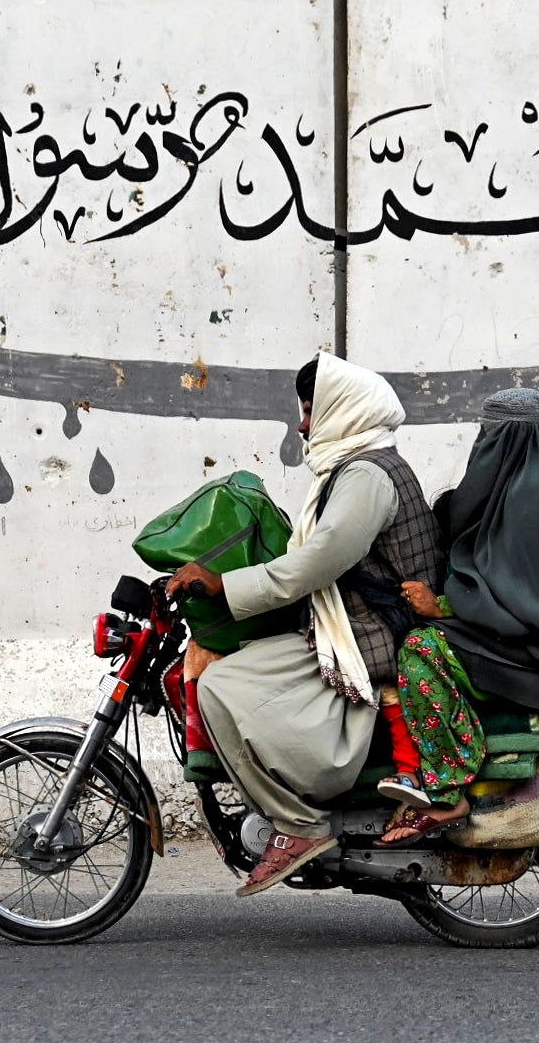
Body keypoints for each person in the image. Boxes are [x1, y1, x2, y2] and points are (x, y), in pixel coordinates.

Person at [166, 353, 445, 895]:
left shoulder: (366, 475)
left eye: (312, 410)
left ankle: (298, 823)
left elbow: (319, 560)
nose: (302, 425)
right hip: (357, 623)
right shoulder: (353, 465)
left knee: (218, 685)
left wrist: (226, 584)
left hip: (372, 636)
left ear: (344, 410)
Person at [371, 386, 539, 847]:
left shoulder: (531, 499)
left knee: (418, 649)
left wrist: (441, 607)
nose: (482, 445)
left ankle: (445, 787)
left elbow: (521, 602)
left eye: (489, 436)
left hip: (533, 652)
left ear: (504, 442)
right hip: (533, 641)